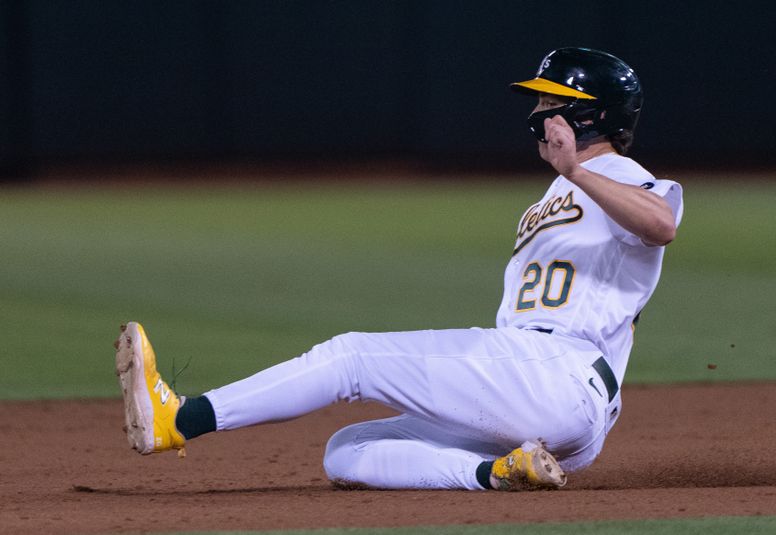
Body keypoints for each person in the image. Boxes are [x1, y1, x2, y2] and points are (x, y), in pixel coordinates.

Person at [115, 47, 683, 491]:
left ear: (586, 114)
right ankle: (499, 474)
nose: (536, 114)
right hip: (552, 400)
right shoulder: (558, 192)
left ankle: (182, 418)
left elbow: (661, 223)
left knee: (351, 357)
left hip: (556, 370)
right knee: (346, 451)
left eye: (548, 102)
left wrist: (580, 173)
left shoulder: (616, 172)